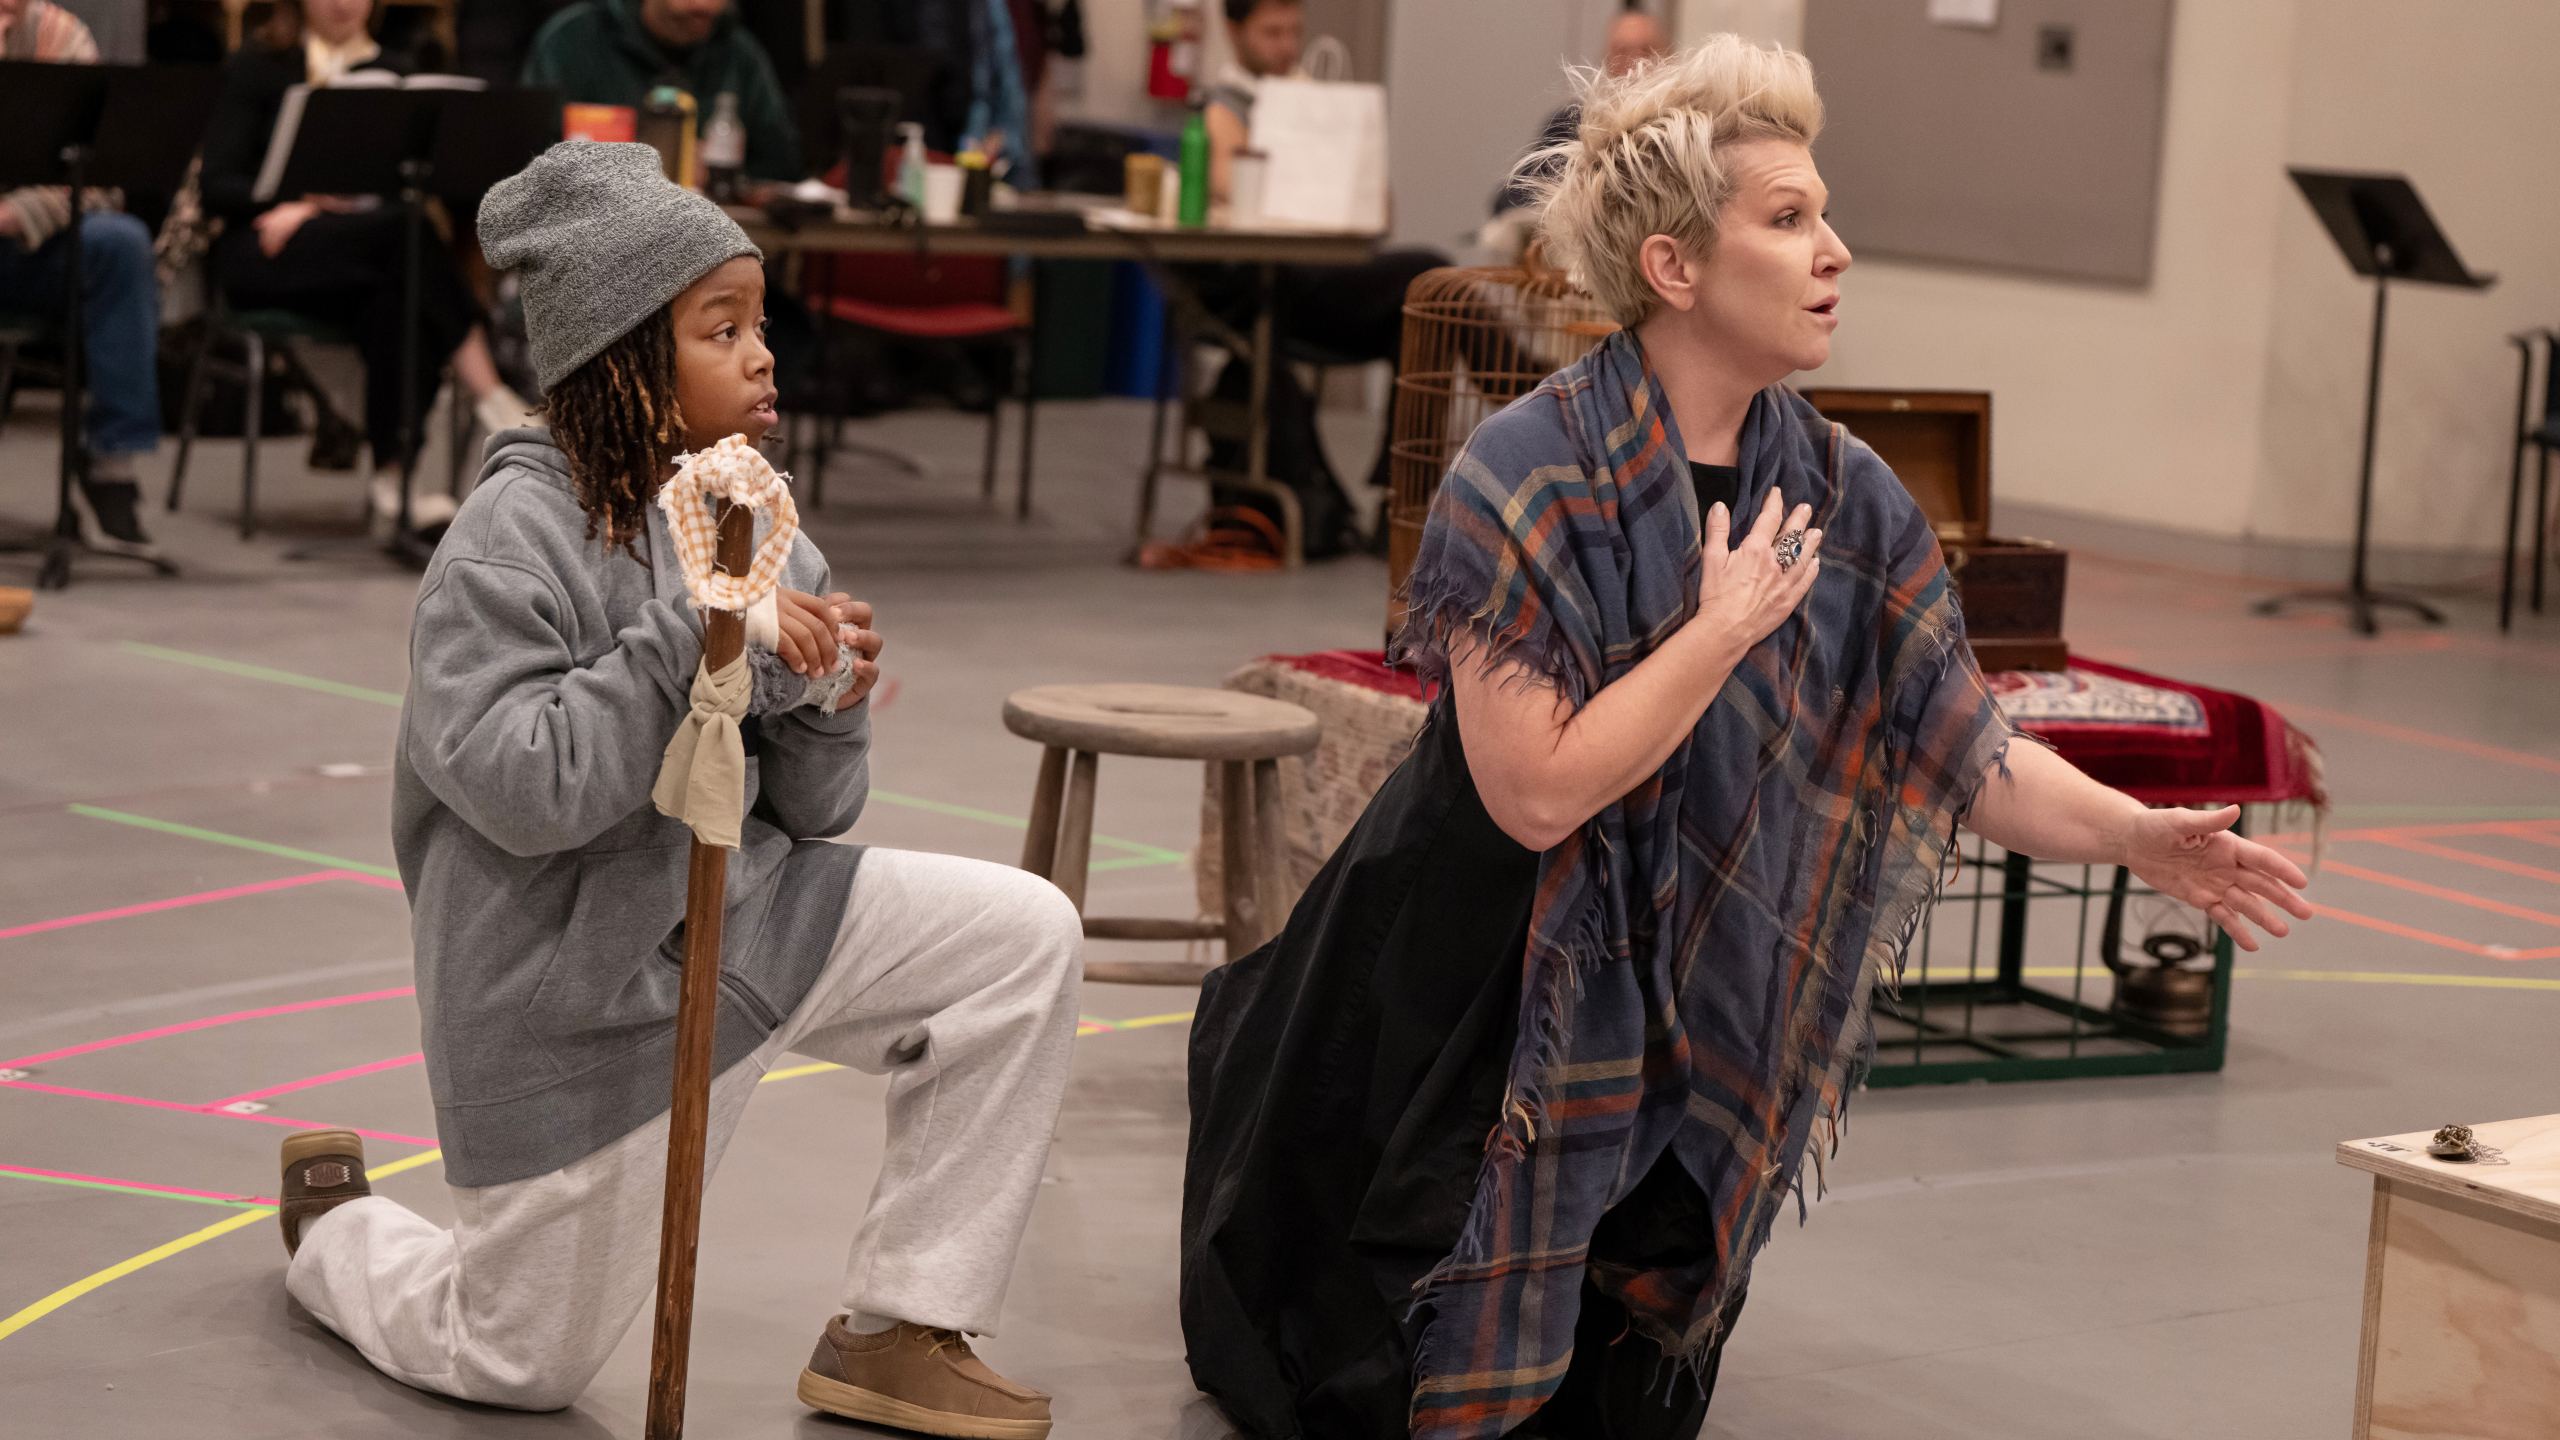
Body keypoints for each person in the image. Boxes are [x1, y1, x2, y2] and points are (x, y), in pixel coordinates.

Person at [1181, 36, 2317, 1440]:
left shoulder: (1847, 492)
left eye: (1825, 215)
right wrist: (1715, 634)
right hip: (1474, 992)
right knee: (1383, 1384)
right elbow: (1536, 797)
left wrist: (2141, 834)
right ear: (1672, 267)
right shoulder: (1520, 475)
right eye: (1788, 221)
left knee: (1629, 1390)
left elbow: (1967, 744)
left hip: (1693, 1003)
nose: (1835, 249)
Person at [269, 141, 1080, 1440]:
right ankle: (337, 1233)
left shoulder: (752, 512)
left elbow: (815, 814)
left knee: (1022, 939)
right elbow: (530, 789)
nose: (767, 357)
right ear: (624, 360)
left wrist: (826, 695)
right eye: (722, 330)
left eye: (760, 324)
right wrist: (703, 635)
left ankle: (902, 1325)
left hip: (745, 920)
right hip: (581, 999)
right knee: (512, 1361)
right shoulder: (505, 542)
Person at [197, 0, 533, 532]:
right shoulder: (260, 65)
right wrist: (294, 201)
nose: (341, 3)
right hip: (267, 248)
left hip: (370, 255)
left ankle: (393, 479)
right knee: (409, 238)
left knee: (398, 295)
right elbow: (216, 185)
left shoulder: (397, 75)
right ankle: (490, 394)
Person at [0, 0, 166, 562]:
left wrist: (17, 214)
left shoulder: (60, 34)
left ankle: (110, 461)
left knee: (120, 241)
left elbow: (99, 177)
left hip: (30, 244)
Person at [523, 0, 802, 186]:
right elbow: (526, 158)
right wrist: (641, 168)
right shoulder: (572, 40)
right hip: (589, 237)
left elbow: (782, 162)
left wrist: (723, 174)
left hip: (710, 239)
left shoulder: (739, 53)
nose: (704, 6)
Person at [1493, 4, 1667, 216]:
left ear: (1667, 56)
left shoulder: (1680, 130)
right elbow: (1511, 199)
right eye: (1621, 51)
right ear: (1606, 59)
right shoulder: (1572, 121)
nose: (1634, 63)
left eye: (1644, 50)